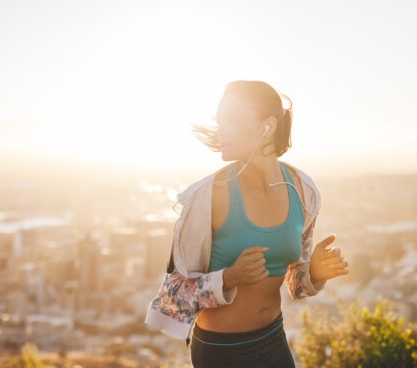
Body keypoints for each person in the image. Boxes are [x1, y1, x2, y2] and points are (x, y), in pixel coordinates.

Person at [144, 80, 349, 368]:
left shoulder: (302, 191)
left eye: (233, 119)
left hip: (274, 340)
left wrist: (313, 272)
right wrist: (227, 278)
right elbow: (173, 298)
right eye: (220, 120)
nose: (221, 130)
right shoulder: (206, 198)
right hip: (221, 353)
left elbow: (296, 284)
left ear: (268, 126)